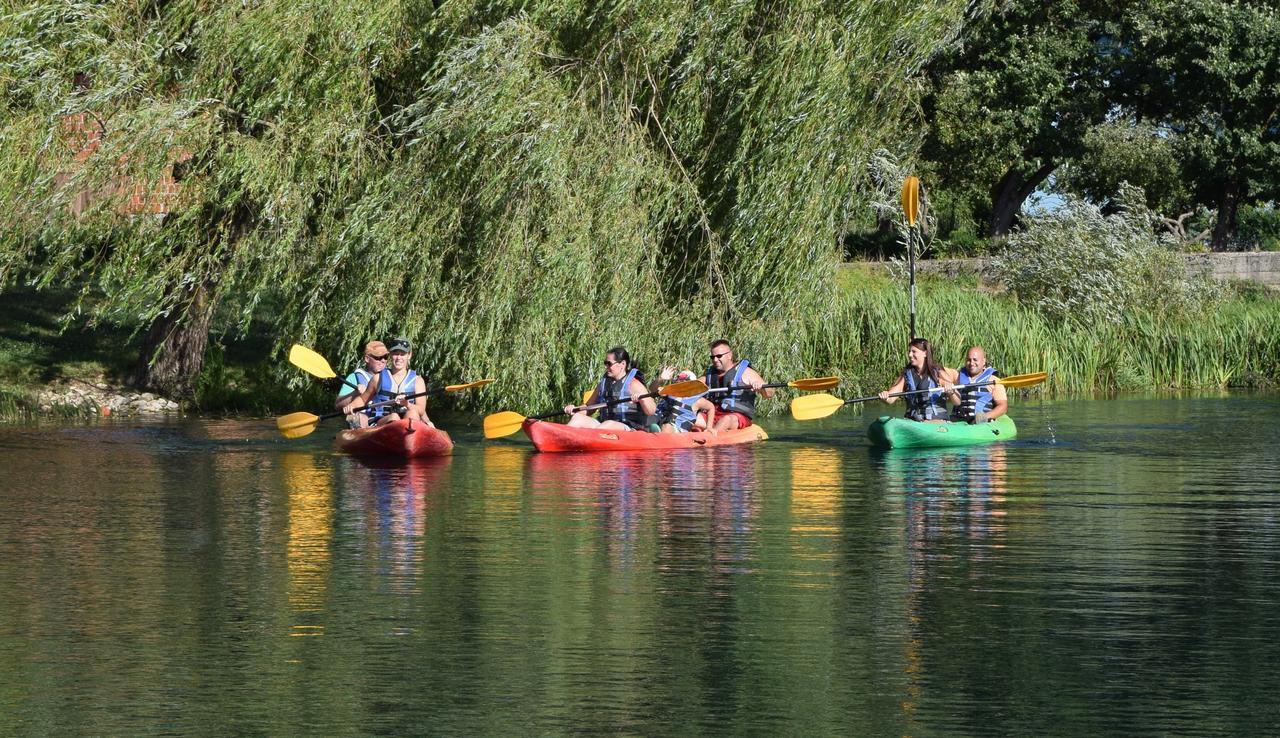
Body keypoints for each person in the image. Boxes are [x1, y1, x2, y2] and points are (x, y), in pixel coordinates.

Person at [565, 347, 657, 431]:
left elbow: (651, 410)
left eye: (609, 364)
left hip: (629, 427)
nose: (606, 367)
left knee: (608, 425)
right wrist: (574, 410)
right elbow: (589, 408)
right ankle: (562, 442)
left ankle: (591, 443)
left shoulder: (634, 384)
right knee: (577, 418)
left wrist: (642, 400)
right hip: (603, 425)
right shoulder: (603, 384)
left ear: (622, 364)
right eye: (605, 363)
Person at [357, 337, 434, 427]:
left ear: (409, 355)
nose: (399, 358)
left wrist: (407, 404)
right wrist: (351, 406)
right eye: (395, 354)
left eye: (402, 354)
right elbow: (362, 400)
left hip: (409, 423)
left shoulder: (418, 381)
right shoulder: (377, 378)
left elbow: (421, 410)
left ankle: (408, 436)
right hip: (382, 422)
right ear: (391, 355)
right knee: (394, 417)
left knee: (413, 414)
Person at [877, 337, 958, 423]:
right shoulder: (907, 375)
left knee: (929, 422)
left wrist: (951, 392)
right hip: (914, 421)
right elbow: (891, 399)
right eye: (909, 351)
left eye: (914, 352)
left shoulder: (938, 373)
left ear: (925, 353)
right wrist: (885, 396)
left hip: (937, 422)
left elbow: (957, 402)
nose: (910, 355)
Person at [704, 340, 773, 432]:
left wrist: (762, 387)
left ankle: (711, 436)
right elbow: (695, 385)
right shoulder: (709, 375)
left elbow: (769, 394)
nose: (715, 360)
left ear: (729, 355)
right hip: (714, 415)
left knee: (726, 420)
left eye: (719, 356)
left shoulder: (746, 372)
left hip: (736, 417)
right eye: (712, 357)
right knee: (695, 417)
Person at [334, 340, 389, 428]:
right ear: (367, 358)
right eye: (378, 357)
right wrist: (355, 394)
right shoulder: (354, 378)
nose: (383, 360)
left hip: (383, 418)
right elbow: (337, 405)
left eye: (385, 357)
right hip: (363, 420)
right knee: (357, 418)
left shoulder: (391, 376)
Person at [947, 346, 1008, 424]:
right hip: (958, 421)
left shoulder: (994, 381)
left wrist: (985, 416)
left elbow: (1003, 406)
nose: (972, 363)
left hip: (981, 423)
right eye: (969, 360)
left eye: (975, 360)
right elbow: (940, 370)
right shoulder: (957, 377)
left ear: (983, 361)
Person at [651, 367, 717, 433]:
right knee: (649, 416)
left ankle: (659, 435)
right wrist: (661, 379)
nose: (679, 382)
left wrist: (709, 427)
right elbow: (652, 389)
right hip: (659, 422)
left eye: (684, 382)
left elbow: (711, 407)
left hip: (677, 430)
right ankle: (654, 430)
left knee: (667, 426)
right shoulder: (669, 393)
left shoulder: (697, 400)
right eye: (679, 380)